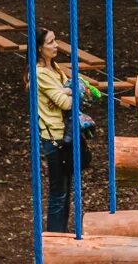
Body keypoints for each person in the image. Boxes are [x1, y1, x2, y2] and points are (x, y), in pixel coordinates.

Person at [33, 26, 99, 232]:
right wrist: (70, 92)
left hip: (67, 136)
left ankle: (60, 235)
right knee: (58, 194)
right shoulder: (39, 73)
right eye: (50, 42)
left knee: (65, 192)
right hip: (54, 139)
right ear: (39, 49)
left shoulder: (56, 69)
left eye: (55, 40)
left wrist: (68, 91)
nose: (56, 45)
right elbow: (67, 103)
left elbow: (78, 91)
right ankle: (54, 237)